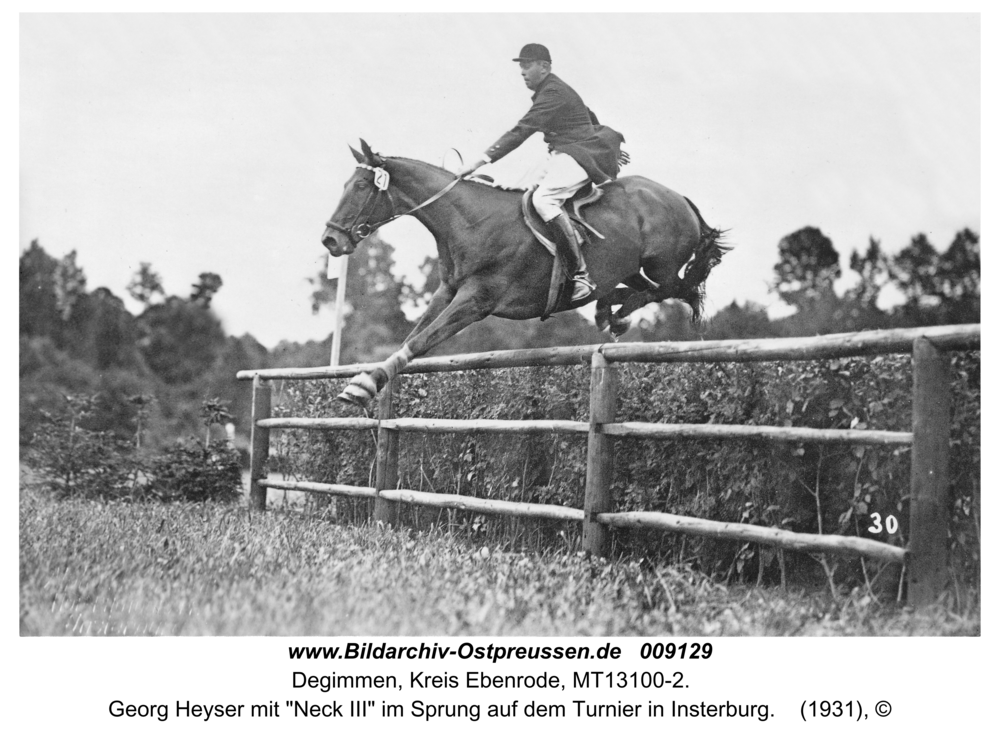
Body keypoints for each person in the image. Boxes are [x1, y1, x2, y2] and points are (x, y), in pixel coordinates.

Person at [456, 43, 625, 302]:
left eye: (527, 65)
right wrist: (604, 145)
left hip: (576, 154)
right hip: (564, 152)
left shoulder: (553, 92)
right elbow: (587, 115)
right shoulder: (551, 90)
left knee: (543, 200)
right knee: (512, 186)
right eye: (520, 67)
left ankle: (581, 275)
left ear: (544, 67)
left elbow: (521, 130)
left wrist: (479, 162)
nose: (522, 72)